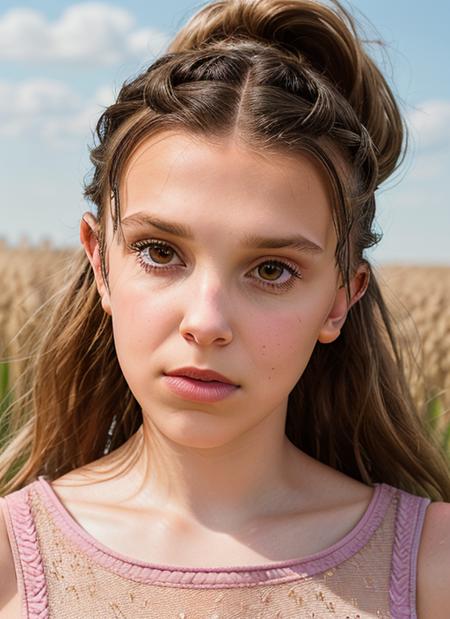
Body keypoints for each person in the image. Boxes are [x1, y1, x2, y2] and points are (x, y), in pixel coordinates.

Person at [1, 0, 449, 616]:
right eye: (159, 252)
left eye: (272, 270)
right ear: (100, 263)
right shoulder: (11, 559)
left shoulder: (432, 564)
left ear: (342, 297)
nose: (206, 322)